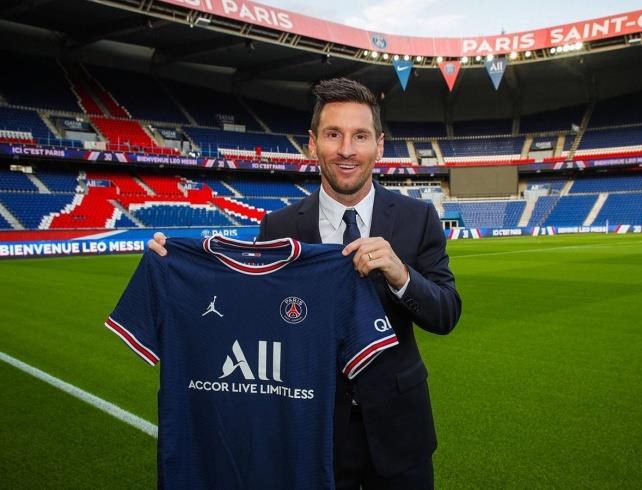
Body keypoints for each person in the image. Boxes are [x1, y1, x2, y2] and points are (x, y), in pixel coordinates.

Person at [149, 78, 461, 489]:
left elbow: (446, 313)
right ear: (312, 144)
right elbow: (249, 319)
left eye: (360, 136)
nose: (346, 149)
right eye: (333, 134)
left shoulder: (417, 218)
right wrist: (179, 272)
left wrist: (400, 275)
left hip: (400, 431)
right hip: (310, 433)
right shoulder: (277, 228)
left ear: (379, 146)